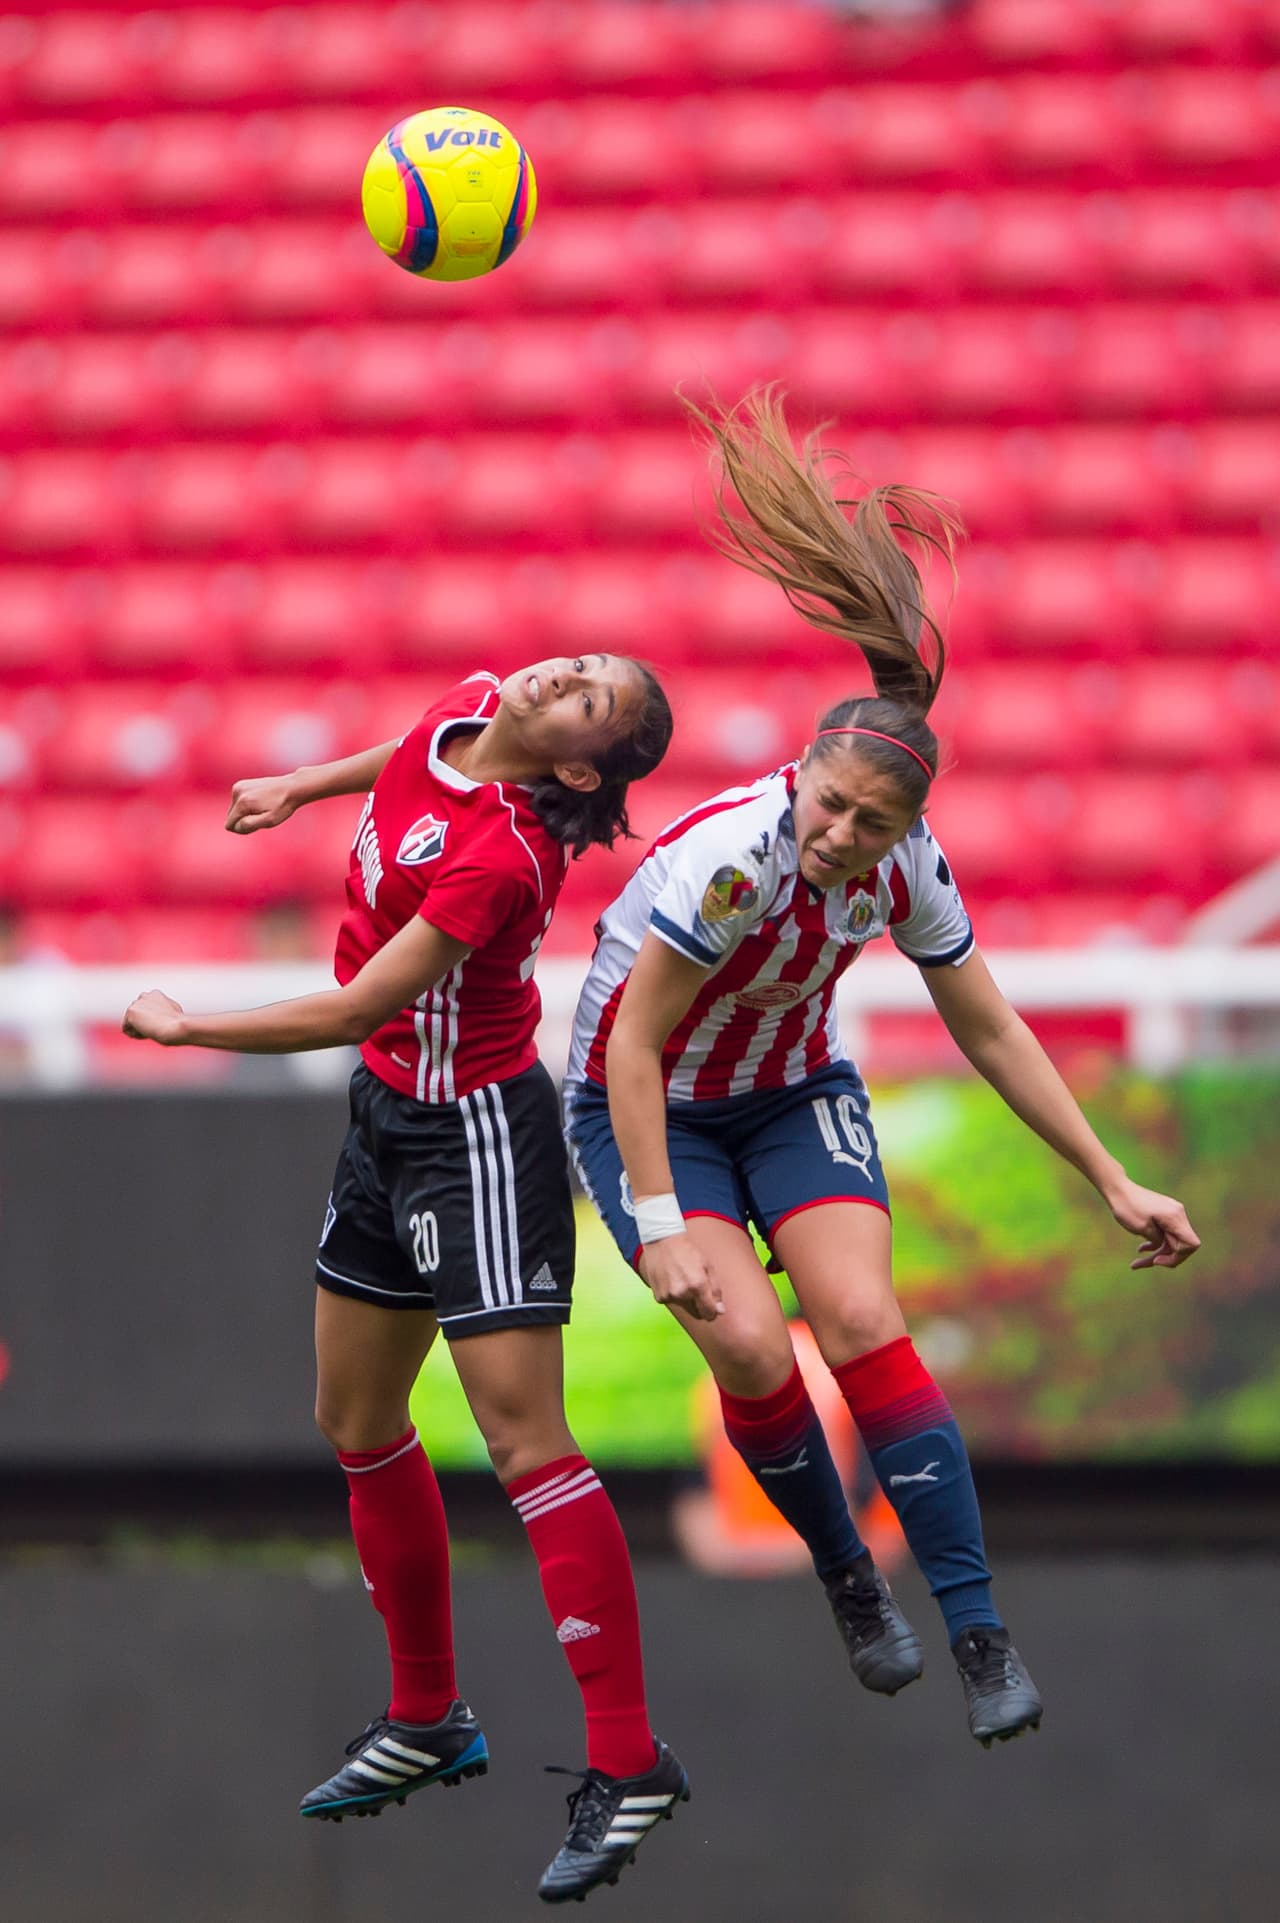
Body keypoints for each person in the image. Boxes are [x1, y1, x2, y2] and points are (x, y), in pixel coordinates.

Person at [563, 393, 1202, 1747]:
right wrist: (664, 1221)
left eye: (873, 818)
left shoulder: (906, 864)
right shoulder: (731, 860)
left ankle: (978, 1630)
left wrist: (1110, 1173)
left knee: (860, 1317)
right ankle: (849, 1577)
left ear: (914, 823)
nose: (844, 833)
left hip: (792, 1092)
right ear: (800, 774)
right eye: (831, 803)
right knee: (741, 1336)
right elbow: (628, 1041)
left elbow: (990, 1025)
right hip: (656, 1108)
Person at [123, 654, 691, 1906]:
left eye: (589, 696)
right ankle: (428, 1714)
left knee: (524, 1440)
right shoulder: (472, 710)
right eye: (581, 662)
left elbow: (355, 1005)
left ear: (578, 764)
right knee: (353, 1418)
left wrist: (187, 1028)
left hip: (474, 1138)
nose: (564, 672)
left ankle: (627, 1758)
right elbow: (405, 755)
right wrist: (299, 785)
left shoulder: (501, 856)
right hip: (386, 1116)